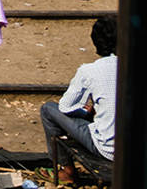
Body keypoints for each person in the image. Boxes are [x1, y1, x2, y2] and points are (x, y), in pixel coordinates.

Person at [38, 16, 117, 185]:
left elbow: (66, 107)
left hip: (108, 149)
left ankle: (67, 171)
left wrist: (85, 113)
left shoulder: (89, 71)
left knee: (48, 109)